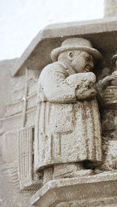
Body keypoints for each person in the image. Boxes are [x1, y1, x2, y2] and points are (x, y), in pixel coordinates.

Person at [34, 38, 103, 183]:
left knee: (72, 139)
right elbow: (53, 91)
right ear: (71, 55)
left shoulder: (70, 73)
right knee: (63, 141)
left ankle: (75, 166)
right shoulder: (53, 69)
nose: (91, 65)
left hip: (70, 120)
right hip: (60, 121)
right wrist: (76, 94)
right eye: (87, 58)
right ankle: (63, 170)